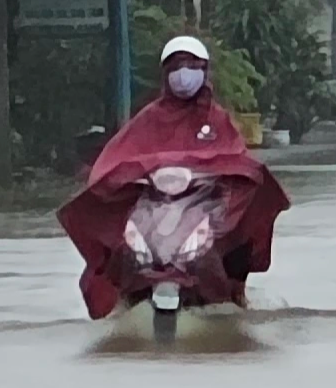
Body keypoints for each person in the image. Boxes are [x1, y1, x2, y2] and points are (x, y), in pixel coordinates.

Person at [57, 33, 289, 318]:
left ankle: (234, 293)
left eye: (192, 65)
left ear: (204, 71)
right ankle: (121, 301)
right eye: (177, 65)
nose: (184, 72)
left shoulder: (216, 119)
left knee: (231, 245)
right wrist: (117, 178)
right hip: (153, 206)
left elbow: (235, 158)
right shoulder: (149, 118)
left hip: (203, 204)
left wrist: (233, 175)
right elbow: (117, 158)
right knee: (120, 250)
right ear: (166, 73)